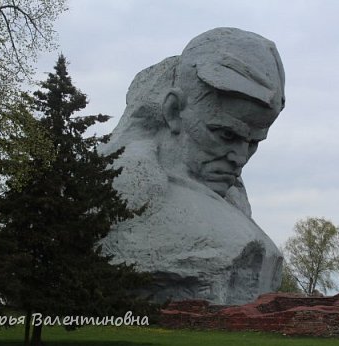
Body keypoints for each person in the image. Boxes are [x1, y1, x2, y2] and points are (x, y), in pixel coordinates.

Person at [100, 28, 285, 304]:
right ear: (174, 112)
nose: (240, 157)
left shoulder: (233, 201)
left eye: (253, 143)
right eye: (226, 135)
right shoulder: (128, 187)